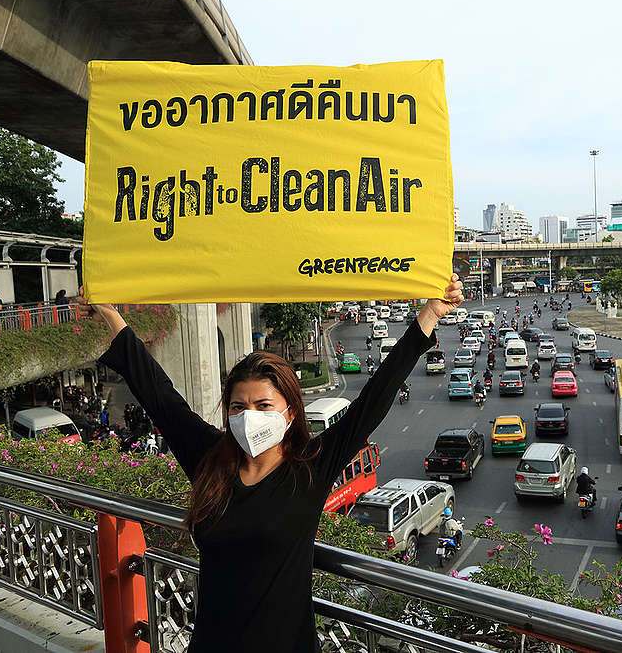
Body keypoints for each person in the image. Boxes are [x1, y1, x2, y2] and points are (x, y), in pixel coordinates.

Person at [78, 274, 463, 653]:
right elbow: (158, 394)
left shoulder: (312, 466)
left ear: (291, 412)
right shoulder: (209, 458)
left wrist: (429, 315)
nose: (249, 416)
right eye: (238, 407)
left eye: (263, 406)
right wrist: (111, 312)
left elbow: (375, 397)